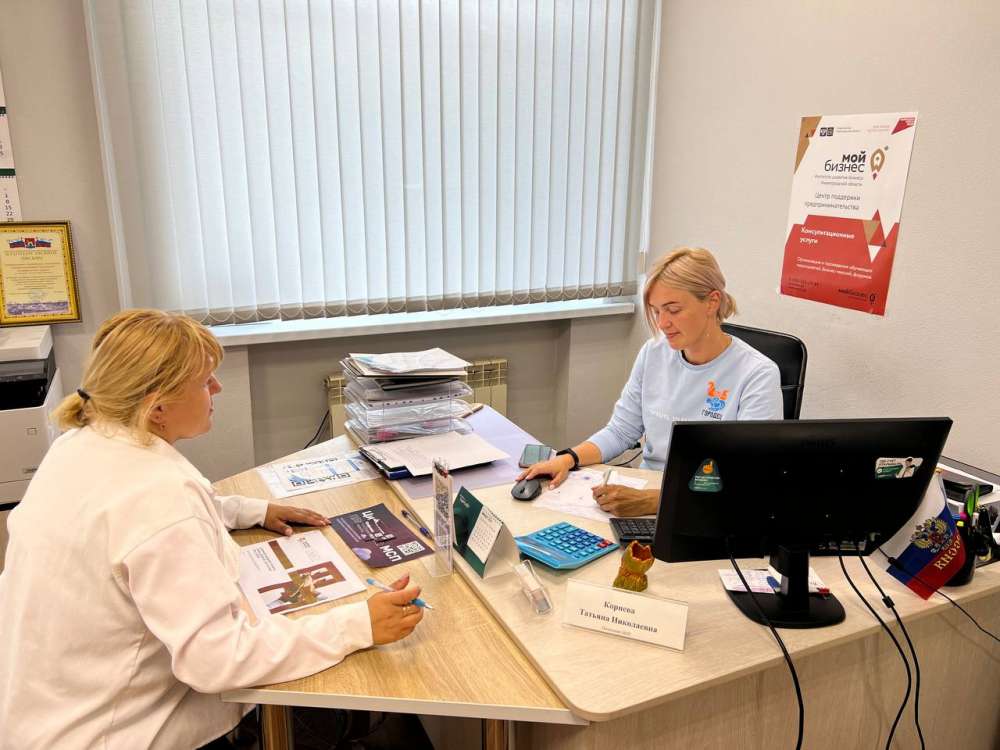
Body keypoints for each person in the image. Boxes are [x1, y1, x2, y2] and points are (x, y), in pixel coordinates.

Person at [0, 310, 424, 750]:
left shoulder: (79, 445)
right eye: (205, 381)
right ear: (157, 407)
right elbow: (218, 660)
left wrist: (251, 510)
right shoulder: (160, 496)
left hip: (41, 717)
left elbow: (129, 519)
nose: (217, 388)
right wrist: (358, 624)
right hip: (112, 734)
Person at [520, 247, 782, 517]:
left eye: (673, 310)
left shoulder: (757, 374)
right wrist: (567, 458)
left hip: (708, 508)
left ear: (712, 302)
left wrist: (654, 501)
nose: (663, 323)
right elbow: (621, 431)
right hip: (646, 492)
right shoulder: (654, 352)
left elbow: (749, 477)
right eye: (656, 312)